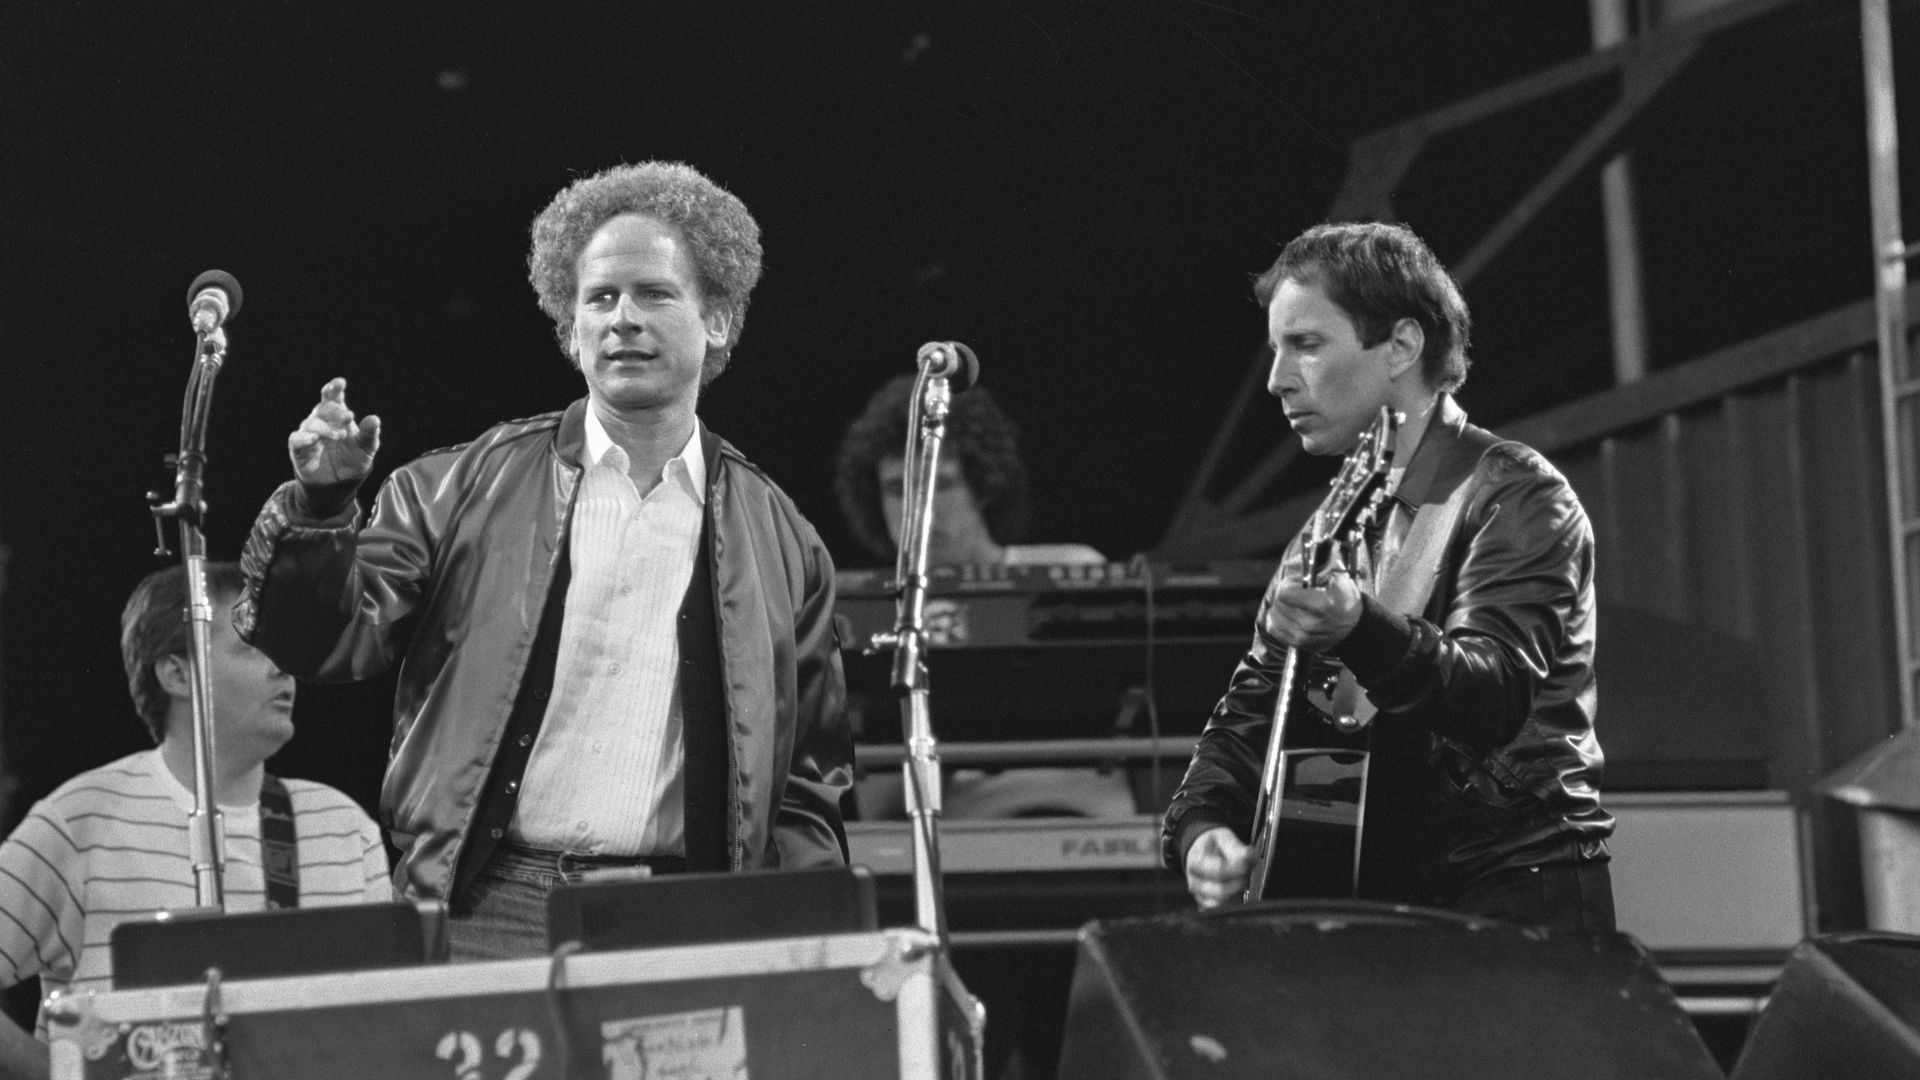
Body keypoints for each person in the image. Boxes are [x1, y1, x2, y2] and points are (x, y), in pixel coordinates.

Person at [235, 161, 853, 960]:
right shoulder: (457, 485)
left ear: (721, 318)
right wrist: (320, 510)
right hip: (486, 911)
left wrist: (801, 943)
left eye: (654, 294)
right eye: (598, 299)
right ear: (570, 331)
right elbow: (328, 643)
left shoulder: (784, 540)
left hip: (686, 916)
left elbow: (807, 783)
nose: (621, 319)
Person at [1163, 221, 1615, 929]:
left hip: (1512, 893)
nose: (1278, 380)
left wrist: (1360, 629)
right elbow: (1246, 716)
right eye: (1277, 349)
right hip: (1378, 906)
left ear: (1402, 345)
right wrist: (1203, 830)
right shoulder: (1328, 528)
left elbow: (1493, 693)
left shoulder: (1515, 493)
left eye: (1306, 346)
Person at [0, 563, 390, 1079]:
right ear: (178, 674)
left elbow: (390, 1023)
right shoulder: (82, 819)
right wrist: (59, 1073)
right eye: (253, 647)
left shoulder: (344, 828)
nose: (283, 668)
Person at [833, 372, 1105, 568]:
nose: (919, 511)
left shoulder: (1075, 569)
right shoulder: (866, 607)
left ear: (982, 490)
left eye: (939, 485)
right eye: (897, 489)